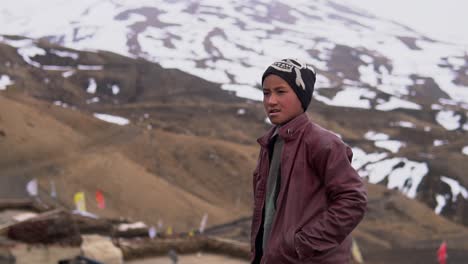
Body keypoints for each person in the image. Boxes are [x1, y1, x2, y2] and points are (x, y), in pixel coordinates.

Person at [250, 58, 367, 263]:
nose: (271, 101)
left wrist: (302, 244)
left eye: (280, 91)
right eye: (266, 93)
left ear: (301, 95)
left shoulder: (324, 144)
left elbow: (353, 200)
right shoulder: (269, 144)